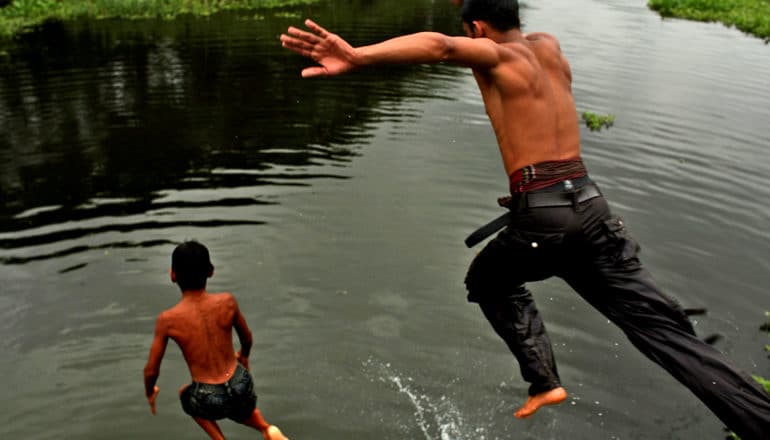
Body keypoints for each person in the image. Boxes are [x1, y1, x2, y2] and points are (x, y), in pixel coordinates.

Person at [279, 0, 770, 438]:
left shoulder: (493, 55)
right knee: (668, 335)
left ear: (477, 28)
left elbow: (440, 46)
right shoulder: (548, 46)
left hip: (545, 219)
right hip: (591, 207)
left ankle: (544, 381)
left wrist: (358, 56)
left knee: (487, 281)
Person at [143, 241, 288, 440]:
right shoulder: (227, 302)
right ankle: (267, 429)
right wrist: (244, 356)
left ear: (173, 275)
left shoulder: (168, 320)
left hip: (208, 395)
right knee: (236, 403)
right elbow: (246, 338)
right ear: (211, 271)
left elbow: (151, 370)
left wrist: (150, 391)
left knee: (186, 395)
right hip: (240, 382)